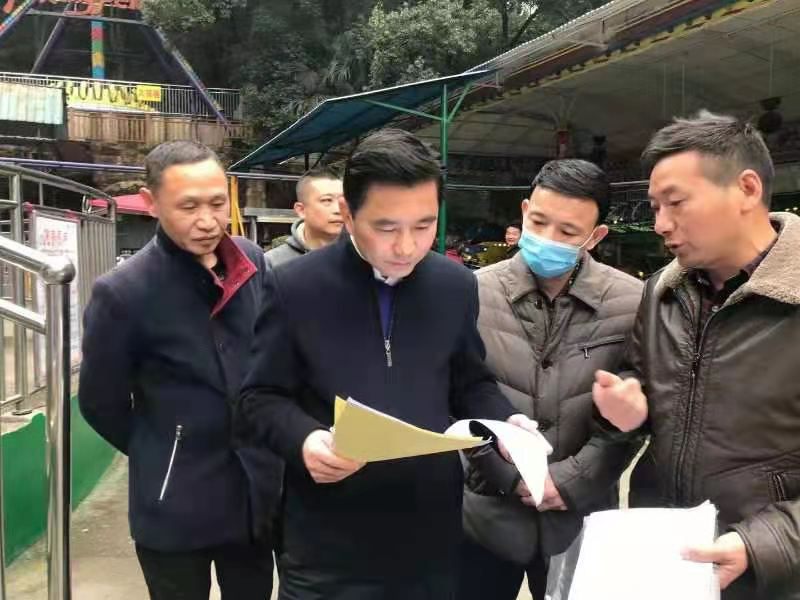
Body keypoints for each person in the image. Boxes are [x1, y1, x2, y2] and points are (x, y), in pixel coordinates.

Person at [236, 128, 538, 600]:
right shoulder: (295, 287)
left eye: (424, 225)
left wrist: (505, 422)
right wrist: (305, 440)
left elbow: (469, 382)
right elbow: (259, 397)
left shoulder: (454, 285)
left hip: (431, 538)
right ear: (348, 214)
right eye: (386, 227)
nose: (407, 247)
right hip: (327, 544)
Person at [593, 111, 800, 600]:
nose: (660, 224)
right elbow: (641, 386)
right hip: (667, 559)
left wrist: (760, 544)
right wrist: (626, 411)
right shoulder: (661, 294)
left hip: (769, 575)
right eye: (655, 206)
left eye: (676, 203)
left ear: (747, 189)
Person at [79, 141, 280, 600]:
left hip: (253, 493)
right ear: (151, 203)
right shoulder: (123, 292)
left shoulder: (251, 262)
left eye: (217, 203)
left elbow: (273, 354)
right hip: (175, 500)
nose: (208, 221)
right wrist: (162, 448)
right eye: (188, 207)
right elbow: (100, 402)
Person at [457, 160, 643, 600]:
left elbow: (637, 411)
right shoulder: (472, 292)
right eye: (539, 222)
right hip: (485, 515)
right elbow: (456, 397)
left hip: (578, 519)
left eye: (567, 231)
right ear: (524, 211)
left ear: (595, 236)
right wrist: (508, 475)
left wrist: (573, 481)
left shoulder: (631, 303)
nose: (548, 238)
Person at [265, 167, 344, 267]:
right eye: (327, 200)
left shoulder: (361, 256)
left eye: (343, 201)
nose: (338, 210)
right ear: (301, 210)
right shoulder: (274, 263)